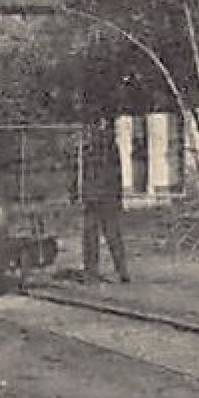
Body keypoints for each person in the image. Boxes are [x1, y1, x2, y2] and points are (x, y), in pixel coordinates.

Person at [79, 116, 130, 282]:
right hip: (99, 196)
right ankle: (105, 272)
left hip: (101, 196)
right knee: (98, 236)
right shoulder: (96, 148)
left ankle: (102, 272)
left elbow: (116, 174)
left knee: (103, 235)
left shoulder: (98, 148)